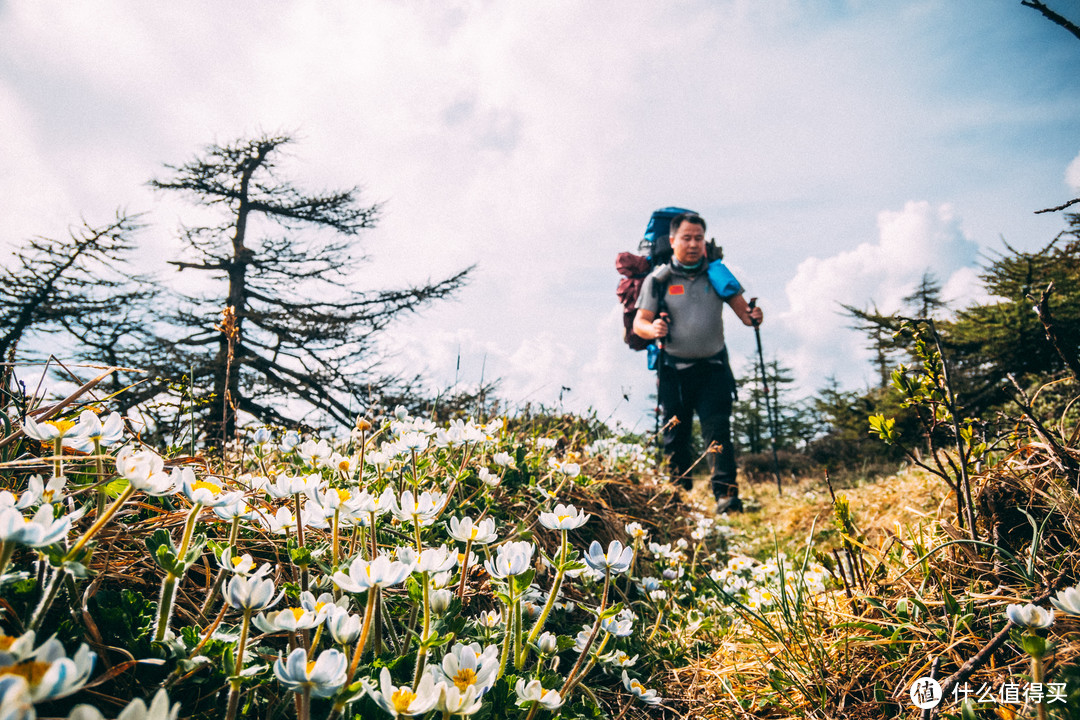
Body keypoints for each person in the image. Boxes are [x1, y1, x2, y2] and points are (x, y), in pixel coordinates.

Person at [632, 212, 763, 513]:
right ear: (673, 241)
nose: (693, 244)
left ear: (705, 241)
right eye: (687, 238)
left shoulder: (718, 274)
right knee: (676, 435)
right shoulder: (658, 280)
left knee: (718, 431)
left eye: (698, 238)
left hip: (713, 368)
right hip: (673, 371)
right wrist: (653, 330)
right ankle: (678, 496)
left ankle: (727, 498)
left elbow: (746, 314)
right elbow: (640, 323)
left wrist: (755, 316)